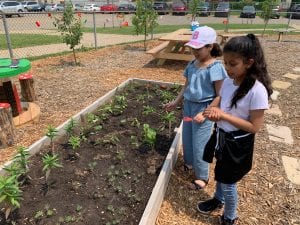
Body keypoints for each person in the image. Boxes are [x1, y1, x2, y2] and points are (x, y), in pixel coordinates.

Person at [198, 34, 273, 225]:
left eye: (233, 64)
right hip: (223, 136)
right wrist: (213, 108)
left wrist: (223, 116)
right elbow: (220, 98)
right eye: (225, 64)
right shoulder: (230, 81)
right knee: (221, 172)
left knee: (229, 182)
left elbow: (254, 127)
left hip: (238, 143)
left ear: (248, 63)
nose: (228, 69)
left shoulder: (257, 91)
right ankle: (218, 199)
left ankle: (230, 217)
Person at [164, 26, 227, 190]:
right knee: (188, 138)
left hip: (204, 108)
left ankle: (202, 177)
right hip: (188, 108)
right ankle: (190, 163)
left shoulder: (215, 68)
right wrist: (176, 102)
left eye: (199, 48)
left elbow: (220, 95)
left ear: (210, 47)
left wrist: (205, 114)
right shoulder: (192, 64)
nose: (194, 51)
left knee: (200, 144)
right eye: (193, 47)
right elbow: (186, 86)